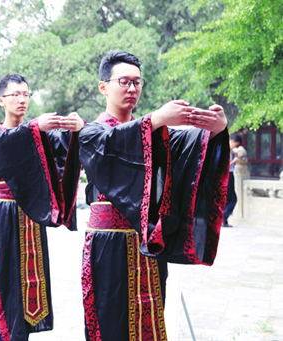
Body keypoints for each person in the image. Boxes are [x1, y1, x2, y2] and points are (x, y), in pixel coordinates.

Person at [78, 50, 230, 341]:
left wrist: (215, 130)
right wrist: (156, 118)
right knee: (110, 317)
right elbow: (113, 143)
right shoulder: (92, 133)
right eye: (123, 81)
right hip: (108, 244)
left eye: (137, 82)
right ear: (103, 87)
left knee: (150, 318)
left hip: (148, 242)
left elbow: (190, 147)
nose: (132, 88)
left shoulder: (158, 133)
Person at [0, 73, 83, 341]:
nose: (22, 99)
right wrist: (36, 126)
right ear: (1, 100)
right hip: (3, 216)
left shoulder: (39, 135)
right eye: (15, 94)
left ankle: (23, 333)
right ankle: (6, 335)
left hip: (32, 215)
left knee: (31, 276)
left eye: (26, 94)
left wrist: (76, 130)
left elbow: (62, 159)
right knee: (5, 277)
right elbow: (7, 145)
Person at [223, 134, 242, 227]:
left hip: (230, 174)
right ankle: (223, 217)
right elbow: (225, 165)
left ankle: (224, 218)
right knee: (231, 198)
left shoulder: (229, 150)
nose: (236, 147)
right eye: (236, 145)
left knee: (230, 197)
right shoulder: (225, 149)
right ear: (232, 141)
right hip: (228, 174)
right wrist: (234, 161)